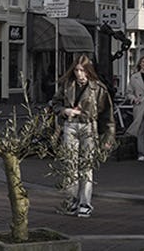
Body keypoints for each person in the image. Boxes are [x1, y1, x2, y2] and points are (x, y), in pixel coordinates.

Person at [50, 54, 115, 218]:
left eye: (82, 70)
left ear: (88, 71)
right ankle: (71, 202)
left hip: (89, 127)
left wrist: (108, 137)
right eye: (76, 70)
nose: (79, 74)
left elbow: (107, 114)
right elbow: (55, 103)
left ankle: (85, 204)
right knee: (70, 165)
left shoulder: (98, 88)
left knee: (86, 166)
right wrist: (65, 110)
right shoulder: (67, 85)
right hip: (70, 126)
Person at [127, 55, 144, 162]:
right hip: (140, 106)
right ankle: (141, 153)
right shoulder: (134, 77)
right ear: (140, 64)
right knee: (140, 129)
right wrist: (134, 99)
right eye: (143, 62)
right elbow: (129, 92)